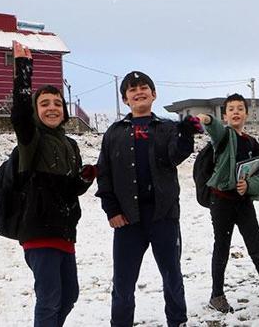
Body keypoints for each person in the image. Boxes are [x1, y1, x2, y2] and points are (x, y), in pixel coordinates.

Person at [96, 70, 201, 327]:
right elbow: (104, 172)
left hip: (163, 216)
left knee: (172, 277)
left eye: (144, 87)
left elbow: (175, 156)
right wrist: (111, 210)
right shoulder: (114, 133)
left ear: (154, 94)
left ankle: (178, 322)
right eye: (132, 89)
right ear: (125, 99)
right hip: (127, 219)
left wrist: (186, 134)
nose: (138, 92)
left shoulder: (166, 127)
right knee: (123, 283)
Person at [11, 42, 95, 327]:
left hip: (65, 232)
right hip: (38, 231)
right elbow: (20, 116)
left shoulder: (70, 144)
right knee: (49, 299)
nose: (52, 108)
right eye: (44, 103)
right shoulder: (31, 140)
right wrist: (24, 69)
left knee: (69, 295)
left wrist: (84, 179)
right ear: (36, 110)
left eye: (57, 103)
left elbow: (69, 190)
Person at [196, 92, 259, 313]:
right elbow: (214, 129)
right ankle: (217, 296)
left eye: (240, 108)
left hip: (244, 203)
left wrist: (249, 186)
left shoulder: (252, 143)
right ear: (225, 115)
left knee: (256, 247)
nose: (236, 112)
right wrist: (208, 120)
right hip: (221, 202)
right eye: (231, 109)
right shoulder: (224, 136)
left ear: (247, 113)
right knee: (222, 247)